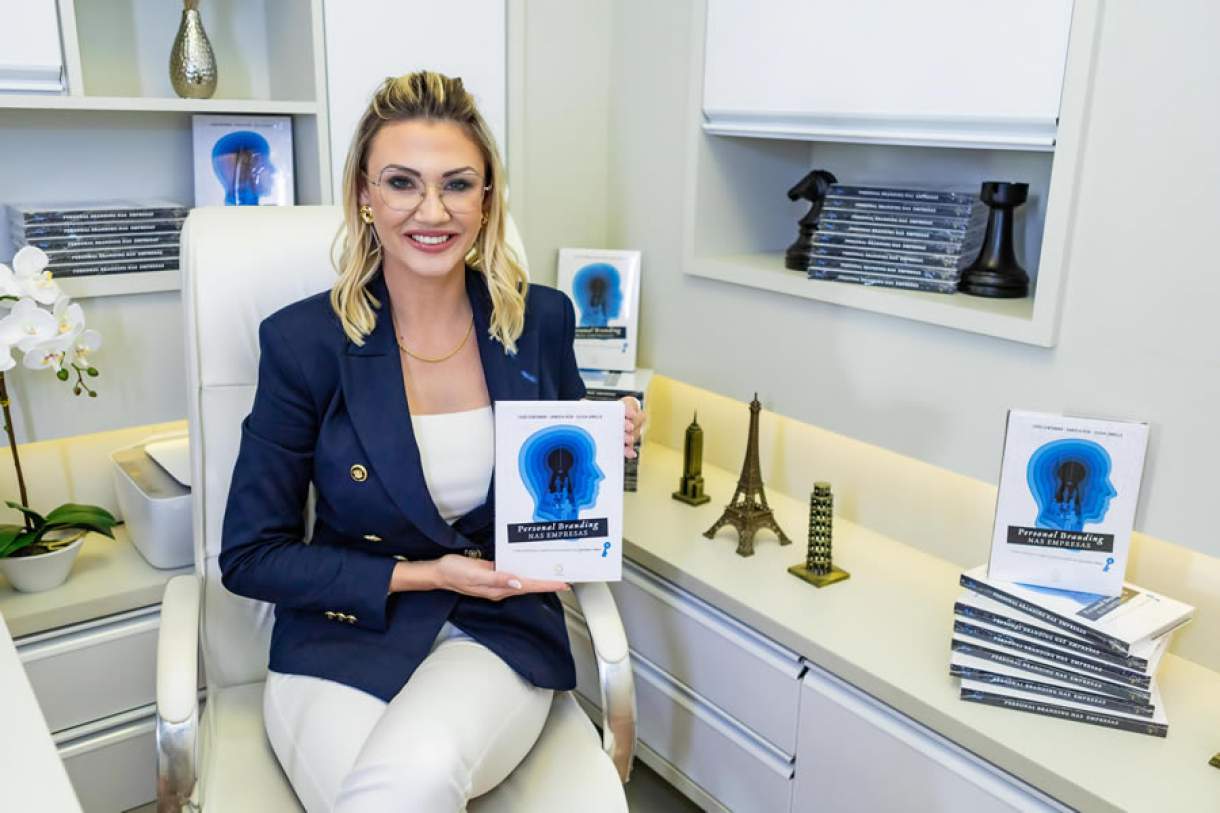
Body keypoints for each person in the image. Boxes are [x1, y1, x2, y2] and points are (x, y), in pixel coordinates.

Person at [219, 71, 645, 812]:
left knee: (410, 776)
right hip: (344, 632)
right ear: (365, 193)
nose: (432, 211)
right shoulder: (302, 342)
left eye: (457, 185)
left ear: (487, 198)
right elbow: (251, 555)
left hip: (496, 629)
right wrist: (427, 575)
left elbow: (563, 506)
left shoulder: (539, 321)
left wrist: (612, 441)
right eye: (402, 183)